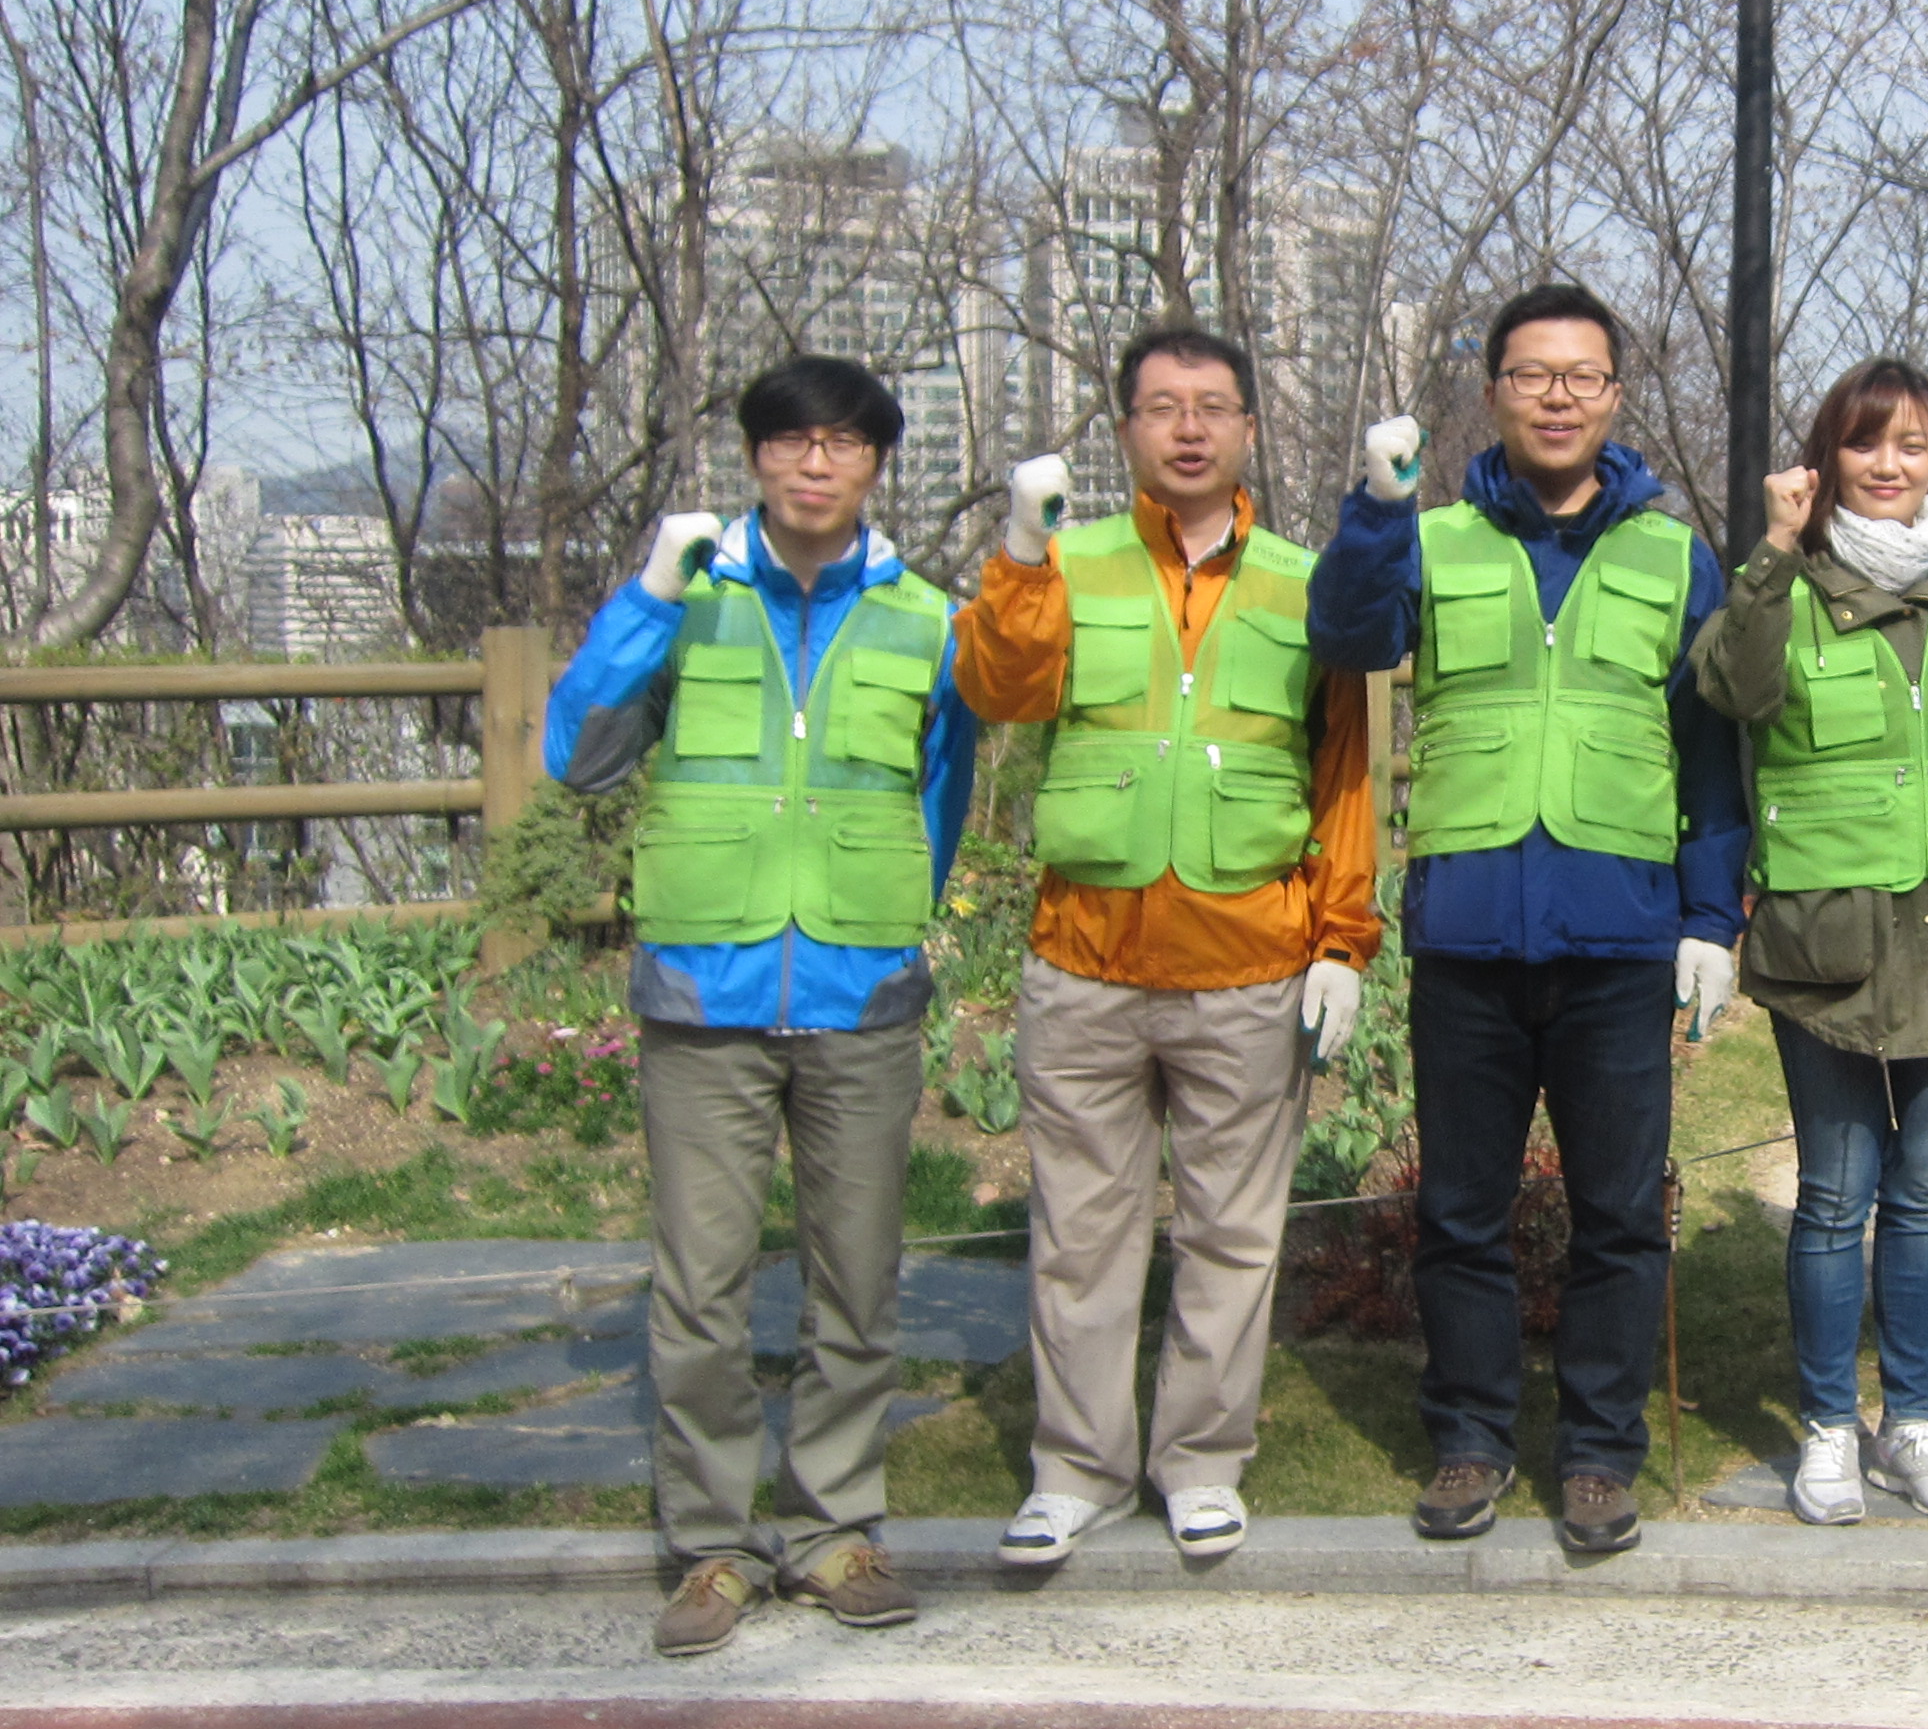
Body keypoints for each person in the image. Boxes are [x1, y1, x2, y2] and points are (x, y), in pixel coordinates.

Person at [541, 356, 977, 1657]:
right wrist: (647, 594)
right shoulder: (686, 601)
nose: (813, 463)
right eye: (788, 440)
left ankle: (836, 1528)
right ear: (753, 460)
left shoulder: (925, 620)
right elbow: (578, 756)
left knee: (858, 1284)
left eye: (842, 443)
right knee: (702, 1292)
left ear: (876, 467)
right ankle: (713, 1549)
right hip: (703, 994)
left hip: (861, 992)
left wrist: (891, 918)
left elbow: (941, 799)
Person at [1305, 283, 1747, 1555]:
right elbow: (1345, 633)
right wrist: (1376, 513)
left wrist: (1711, 914)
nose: (1557, 395)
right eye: (1532, 374)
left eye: (1583, 375)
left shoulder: (1674, 551)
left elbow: (1709, 754)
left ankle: (1601, 1451)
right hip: (1468, 937)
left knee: (1618, 1211)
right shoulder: (1432, 538)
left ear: (1616, 395)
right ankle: (1470, 1436)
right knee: (1462, 1208)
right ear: (1491, 389)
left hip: (1618, 939)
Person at [951, 325, 1381, 1568]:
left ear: (1249, 428)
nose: (1187, 427)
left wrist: (1342, 940)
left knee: (1234, 1233)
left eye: (1212, 406)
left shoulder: (1310, 579)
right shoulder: (1068, 564)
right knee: (1082, 1231)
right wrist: (1022, 553)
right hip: (1083, 958)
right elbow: (1002, 686)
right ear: (1127, 430)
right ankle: (1074, 1468)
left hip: (1249, 960)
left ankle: (1200, 1460)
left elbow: (1344, 769)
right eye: (1160, 407)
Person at [1691, 359, 1928, 1526]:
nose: (1890, 464)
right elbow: (1728, 688)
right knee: (1833, 1191)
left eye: (1912, 443)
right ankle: (1824, 1425)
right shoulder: (1787, 586)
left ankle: (1909, 1420)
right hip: (1825, 946)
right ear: (1828, 457)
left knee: (1921, 1195)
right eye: (1867, 444)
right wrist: (1769, 547)